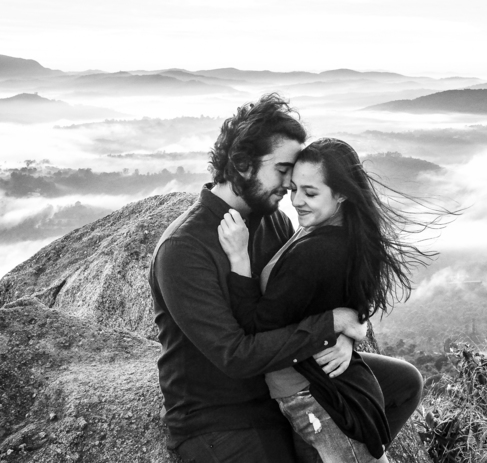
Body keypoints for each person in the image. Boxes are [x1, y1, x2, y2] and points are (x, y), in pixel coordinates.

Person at [149, 94, 368, 463]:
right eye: (282, 169)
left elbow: (315, 292)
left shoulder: (273, 219)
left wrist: (344, 335)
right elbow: (235, 355)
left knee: (404, 385)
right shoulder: (183, 249)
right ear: (242, 163)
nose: (290, 183)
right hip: (221, 417)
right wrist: (329, 324)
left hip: (286, 388)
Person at [217, 138, 431, 463]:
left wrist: (238, 259)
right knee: (407, 382)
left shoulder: (316, 252)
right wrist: (342, 328)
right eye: (294, 189)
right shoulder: (340, 230)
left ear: (341, 193)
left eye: (310, 193)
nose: (296, 201)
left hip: (308, 391)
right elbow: (351, 298)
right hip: (314, 377)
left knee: (405, 385)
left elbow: (254, 329)